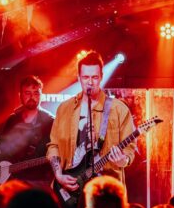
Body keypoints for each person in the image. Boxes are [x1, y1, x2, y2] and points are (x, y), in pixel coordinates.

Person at [47, 51, 135, 195]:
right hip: (70, 188)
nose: (90, 82)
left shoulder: (118, 109)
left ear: (101, 77)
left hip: (106, 191)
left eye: (94, 77)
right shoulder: (64, 109)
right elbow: (54, 145)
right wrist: (58, 175)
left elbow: (129, 150)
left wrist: (122, 161)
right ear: (79, 78)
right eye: (85, 77)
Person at [0, 75, 54, 190]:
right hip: (13, 181)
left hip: (39, 182)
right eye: (27, 93)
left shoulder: (50, 121)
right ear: (20, 96)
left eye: (36, 93)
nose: (32, 97)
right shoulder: (12, 120)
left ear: (41, 95)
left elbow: (57, 151)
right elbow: (3, 145)